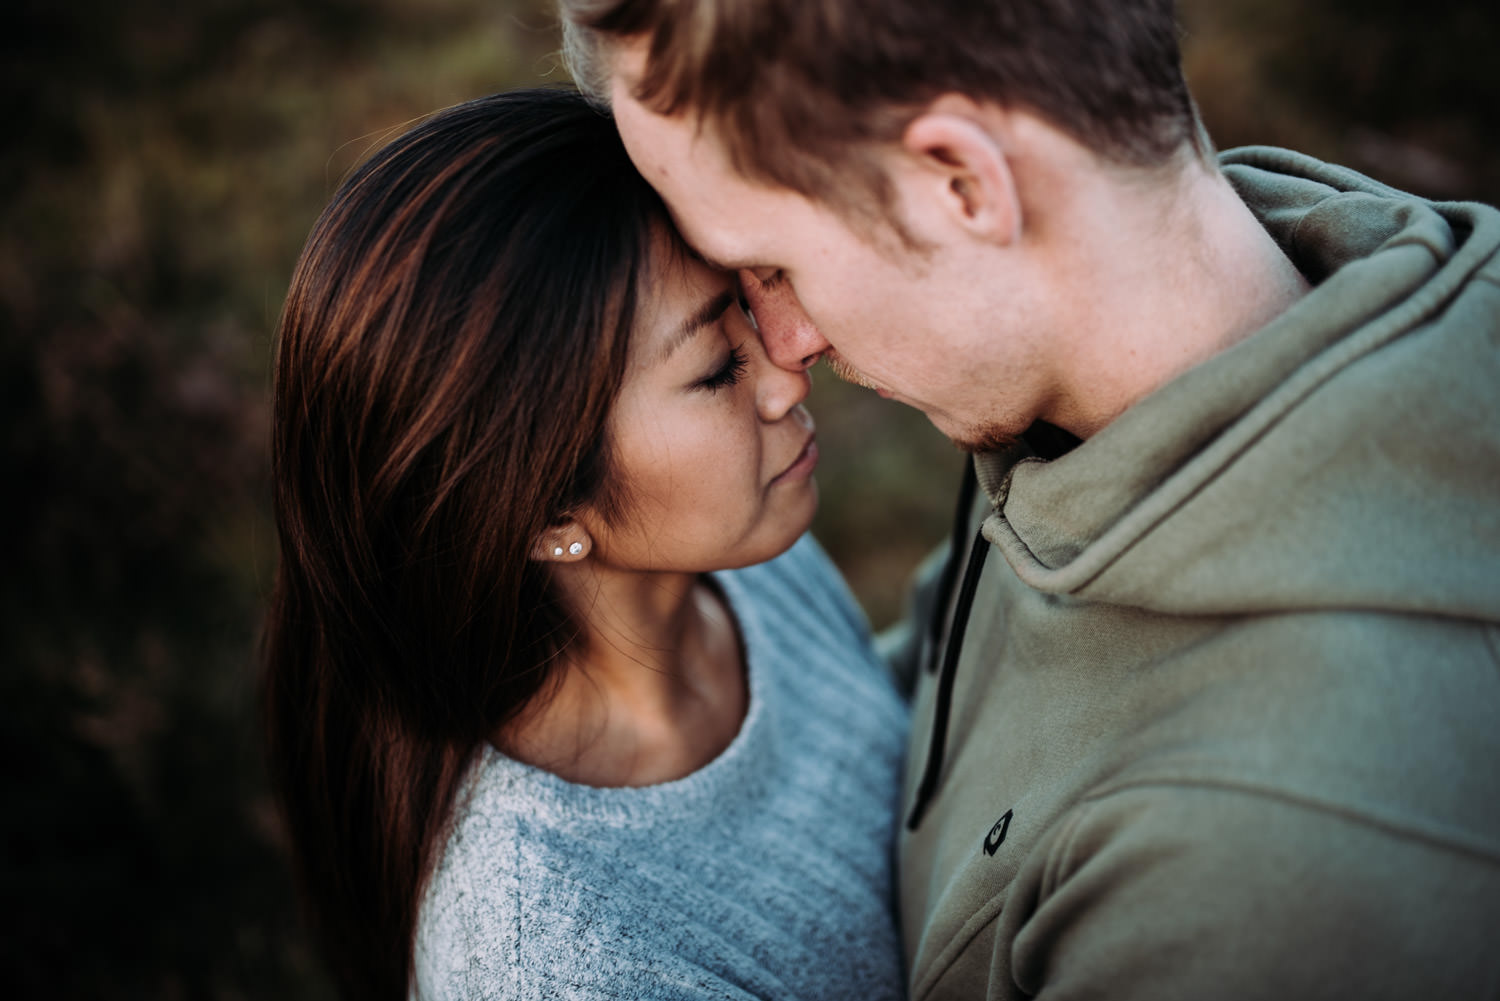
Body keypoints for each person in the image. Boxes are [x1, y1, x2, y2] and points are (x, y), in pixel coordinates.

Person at [558, 0, 1500, 998]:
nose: (782, 345)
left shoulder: (1265, 865)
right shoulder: (1075, 405)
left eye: (771, 267)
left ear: (961, 183)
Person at [261, 87, 909, 1001]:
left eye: (742, 306)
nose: (788, 367)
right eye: (719, 369)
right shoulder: (553, 962)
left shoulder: (735, 558)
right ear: (545, 514)